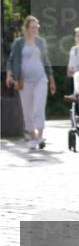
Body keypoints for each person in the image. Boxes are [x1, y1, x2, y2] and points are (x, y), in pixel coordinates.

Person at [5, 16, 56, 149]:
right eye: (32, 27)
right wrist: (9, 75)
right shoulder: (18, 43)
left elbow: (46, 61)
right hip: (24, 81)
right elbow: (11, 60)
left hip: (41, 79)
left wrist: (51, 79)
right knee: (27, 111)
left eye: (36, 27)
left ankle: (39, 136)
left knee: (38, 108)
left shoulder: (41, 42)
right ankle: (31, 135)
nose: (35, 29)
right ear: (26, 28)